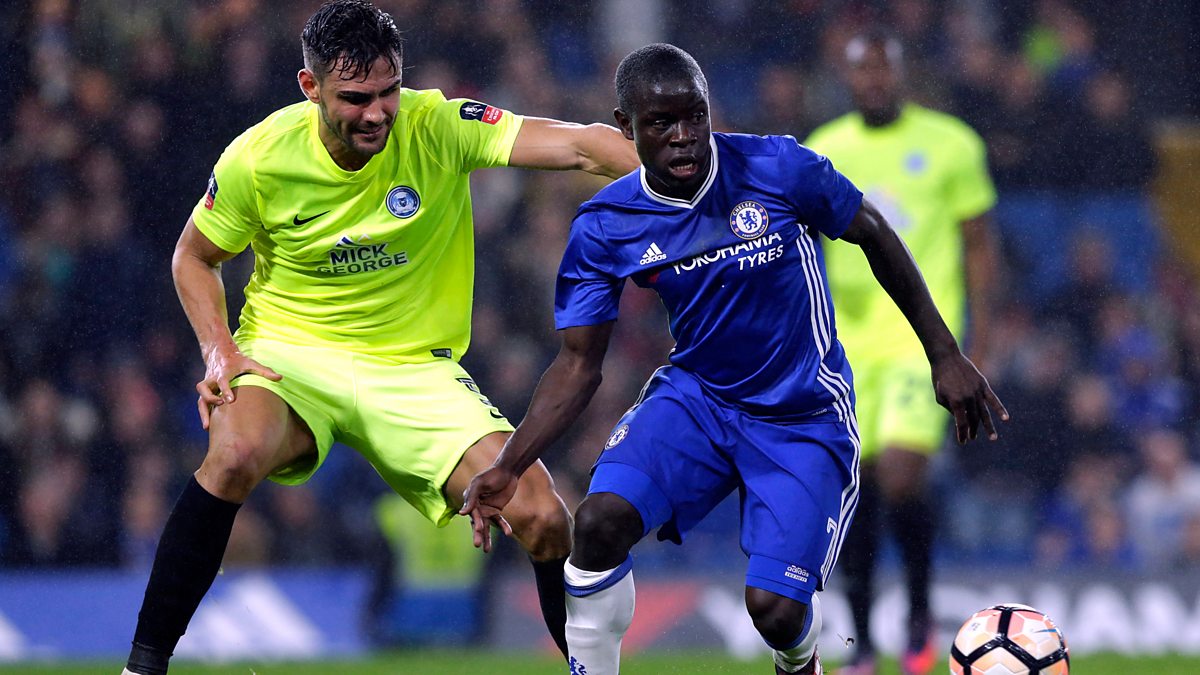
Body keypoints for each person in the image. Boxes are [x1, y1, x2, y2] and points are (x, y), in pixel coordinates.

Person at [121, 2, 638, 674]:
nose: (377, 113)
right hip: (290, 352)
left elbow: (582, 144)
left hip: (413, 369)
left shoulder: (436, 125)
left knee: (542, 517)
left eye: (388, 91)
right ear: (310, 88)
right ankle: (142, 668)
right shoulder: (259, 157)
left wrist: (710, 177)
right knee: (234, 452)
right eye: (355, 98)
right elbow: (193, 257)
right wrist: (219, 348)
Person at [461, 43, 1007, 675]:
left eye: (694, 116)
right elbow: (578, 365)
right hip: (698, 400)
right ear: (624, 127)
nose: (684, 136)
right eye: (661, 123)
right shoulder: (606, 225)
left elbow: (874, 232)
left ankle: (800, 661)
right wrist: (510, 463)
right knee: (599, 524)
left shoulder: (777, 166)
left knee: (774, 611)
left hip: (802, 413)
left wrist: (945, 354)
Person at [804, 29, 1001, 675]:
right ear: (847, 77)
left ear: (902, 73)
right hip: (846, 346)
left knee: (900, 475)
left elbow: (979, 245)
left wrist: (980, 340)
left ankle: (918, 611)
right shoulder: (824, 148)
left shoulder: (952, 144)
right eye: (862, 70)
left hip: (923, 343)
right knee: (853, 488)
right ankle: (863, 642)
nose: (874, 81)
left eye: (883, 69)